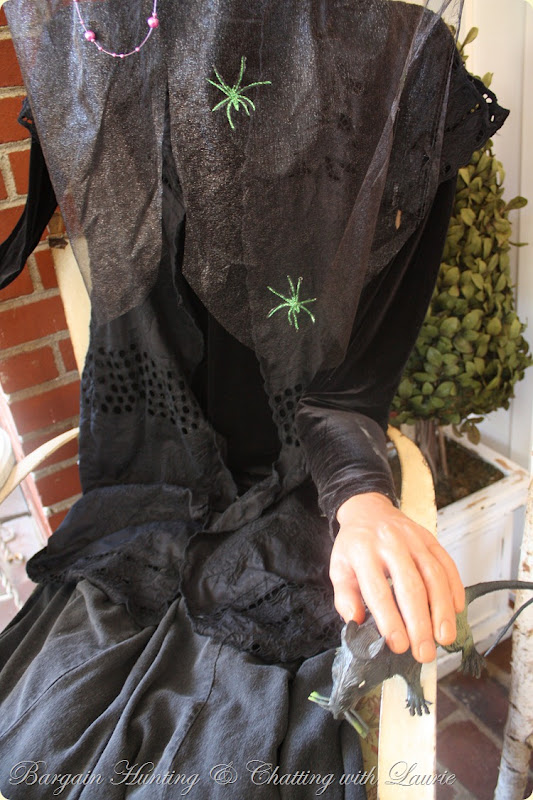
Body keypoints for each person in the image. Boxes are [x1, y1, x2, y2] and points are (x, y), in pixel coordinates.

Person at [0, 1, 508, 797]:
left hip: (299, 495)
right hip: (140, 486)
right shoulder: (96, 38)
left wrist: (363, 497)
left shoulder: (400, 59)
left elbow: (346, 387)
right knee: (37, 733)